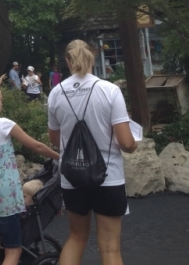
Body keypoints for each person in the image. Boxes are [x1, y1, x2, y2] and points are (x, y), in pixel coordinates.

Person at [47, 40, 137, 265]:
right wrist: (135, 144)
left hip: (73, 177)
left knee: (76, 237)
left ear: (67, 61)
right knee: (109, 248)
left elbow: (55, 139)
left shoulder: (56, 94)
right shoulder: (109, 91)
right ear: (92, 58)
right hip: (107, 176)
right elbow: (126, 142)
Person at [0, 82, 60, 265]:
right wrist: (59, 156)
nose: (1, 103)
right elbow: (36, 146)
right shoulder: (4, 125)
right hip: (5, 197)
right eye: (0, 99)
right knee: (13, 250)